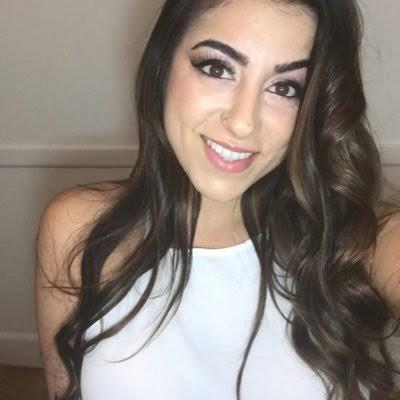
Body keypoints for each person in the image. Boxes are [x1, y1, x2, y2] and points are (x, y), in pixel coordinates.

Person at [34, 0, 400, 399]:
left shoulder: (354, 241)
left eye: (285, 88)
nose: (243, 122)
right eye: (217, 68)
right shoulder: (78, 226)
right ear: (162, 63)